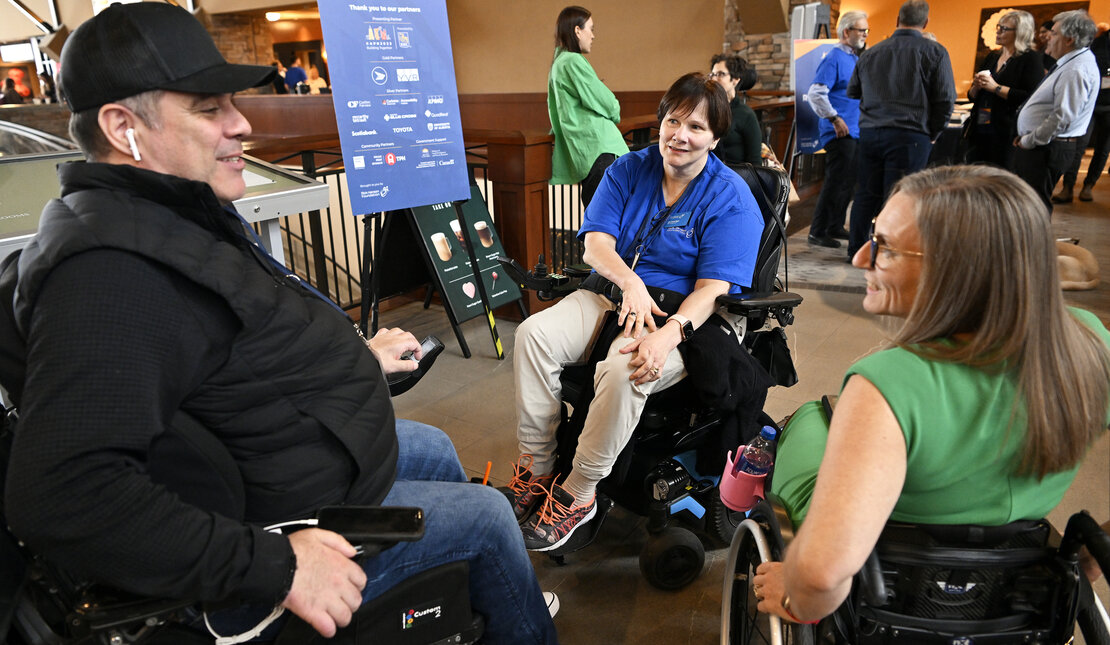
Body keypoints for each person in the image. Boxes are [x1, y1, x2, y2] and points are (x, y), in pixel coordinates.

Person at [1, 4, 557, 644]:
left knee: (431, 446)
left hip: (285, 462)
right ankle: (508, 594)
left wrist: (356, 360)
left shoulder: (173, 210)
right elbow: (62, 495)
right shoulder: (109, 279)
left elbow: (238, 348)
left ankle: (483, 592)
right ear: (124, 127)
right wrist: (281, 566)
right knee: (488, 519)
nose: (242, 125)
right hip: (274, 530)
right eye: (210, 109)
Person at [750, 164, 1110, 623]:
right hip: (1020, 562)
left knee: (807, 421)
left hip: (887, 568)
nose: (861, 258)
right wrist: (1096, 555)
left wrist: (796, 596)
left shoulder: (888, 382)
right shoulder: (1090, 340)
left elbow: (820, 577)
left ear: (956, 270)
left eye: (884, 247)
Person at [505, 73, 764, 551]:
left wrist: (669, 337)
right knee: (533, 335)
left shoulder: (731, 197)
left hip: (688, 317)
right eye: (673, 120)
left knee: (630, 371)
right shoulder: (628, 169)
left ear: (716, 138)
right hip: (615, 294)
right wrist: (630, 282)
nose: (680, 135)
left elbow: (712, 291)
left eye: (697, 128)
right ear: (660, 121)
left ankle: (579, 494)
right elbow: (596, 244)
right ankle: (538, 470)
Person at [846, 0, 955, 261]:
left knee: (865, 194)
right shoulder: (935, 52)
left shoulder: (871, 53)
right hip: (911, 134)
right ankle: (891, 254)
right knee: (901, 196)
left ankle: (858, 252)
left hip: (871, 132)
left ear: (897, 19)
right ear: (925, 23)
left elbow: (853, 91)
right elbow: (945, 99)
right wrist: (934, 132)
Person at [1013, 10, 1100, 213]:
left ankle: (1034, 245)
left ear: (1069, 39)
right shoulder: (1072, 63)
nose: (1047, 38)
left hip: (1047, 148)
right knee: (1028, 206)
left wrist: (1030, 139)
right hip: (1044, 146)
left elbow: (1063, 117)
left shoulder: (1075, 69)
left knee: (1034, 208)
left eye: (1053, 33)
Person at [547, 5, 629, 208]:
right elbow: (607, 103)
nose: (593, 36)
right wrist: (614, 108)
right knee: (606, 221)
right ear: (577, 30)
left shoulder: (559, 63)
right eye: (590, 29)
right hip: (599, 150)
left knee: (599, 220)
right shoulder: (573, 61)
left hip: (589, 152)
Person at [805, 11, 869, 249]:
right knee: (835, 182)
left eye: (866, 30)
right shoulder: (833, 57)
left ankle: (834, 225)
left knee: (848, 182)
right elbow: (816, 92)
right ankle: (818, 230)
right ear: (846, 32)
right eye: (861, 30)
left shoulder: (854, 57)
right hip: (839, 131)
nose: (865, 34)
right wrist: (835, 118)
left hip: (855, 130)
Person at [966, 10, 1044, 170]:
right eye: (998, 27)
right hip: (980, 125)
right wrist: (976, 86)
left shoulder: (1030, 59)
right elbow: (973, 96)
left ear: (1020, 33)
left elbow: (1029, 97)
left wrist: (995, 88)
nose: (998, 31)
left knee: (998, 176)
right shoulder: (992, 56)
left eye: (1004, 28)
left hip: (1006, 131)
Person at [1053, 23, 1110, 203]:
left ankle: (1088, 185)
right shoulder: (1096, 42)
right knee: (1079, 143)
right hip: (1090, 102)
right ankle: (1068, 187)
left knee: (1103, 148)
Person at [708, 53, 762, 167]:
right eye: (712, 74)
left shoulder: (746, 114)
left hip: (737, 177)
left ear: (736, 79)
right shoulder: (706, 109)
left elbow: (755, 163)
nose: (714, 79)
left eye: (720, 74)